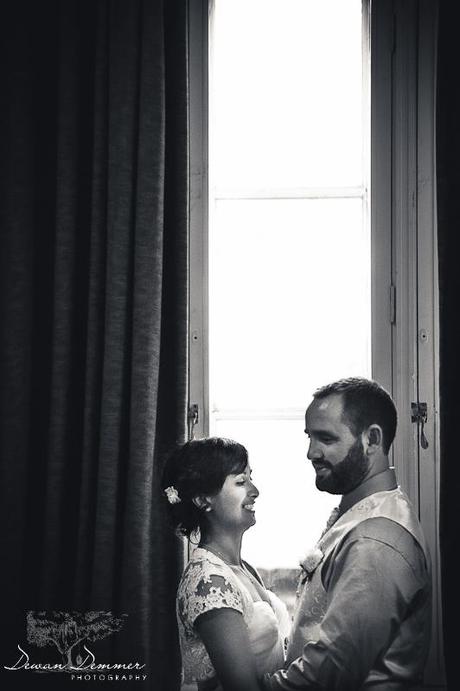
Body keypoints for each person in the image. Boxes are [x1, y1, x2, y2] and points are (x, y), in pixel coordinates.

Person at [263, 377, 432, 691]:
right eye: (309, 437)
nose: (311, 452)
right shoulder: (366, 511)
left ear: (372, 439)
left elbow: (330, 672)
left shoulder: (375, 540)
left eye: (325, 438)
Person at [162, 437, 291, 691]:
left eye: (250, 478)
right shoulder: (208, 581)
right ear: (203, 500)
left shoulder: (243, 568)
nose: (255, 490)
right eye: (241, 482)